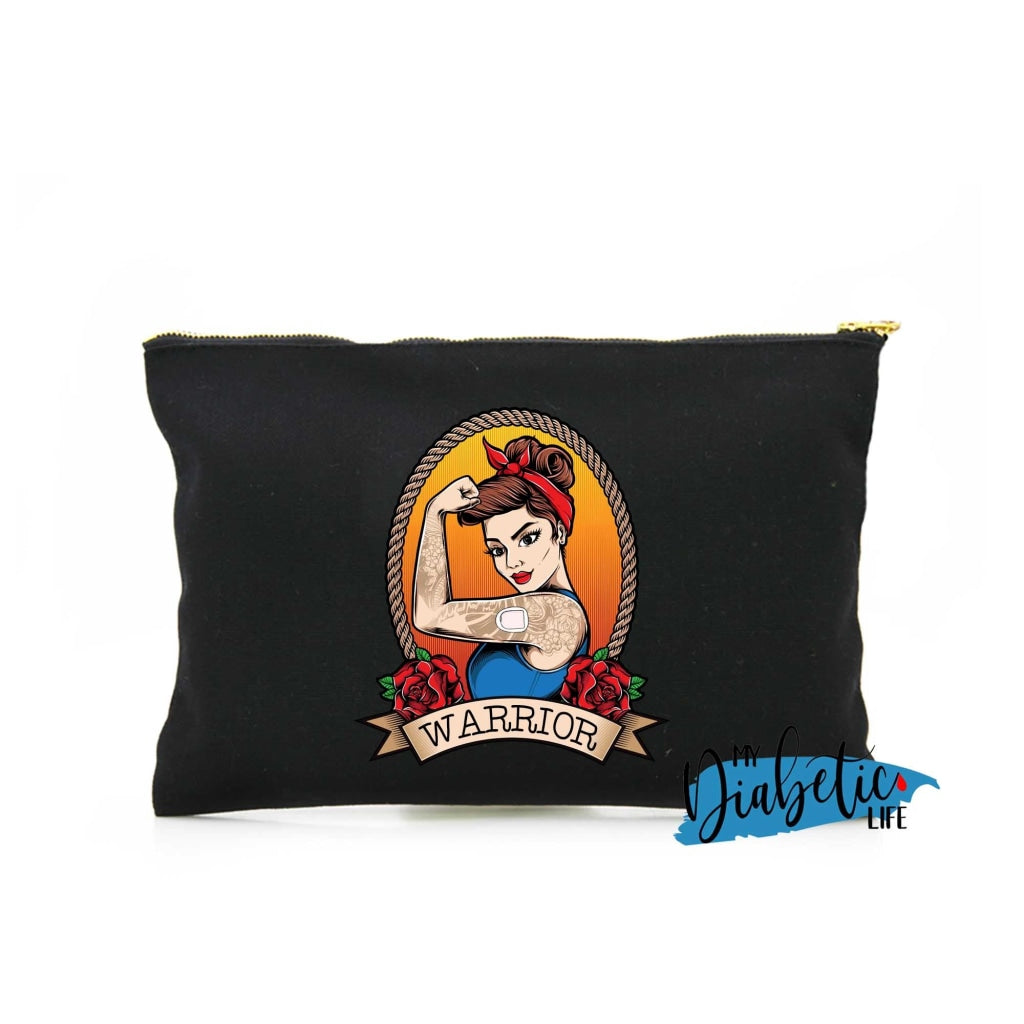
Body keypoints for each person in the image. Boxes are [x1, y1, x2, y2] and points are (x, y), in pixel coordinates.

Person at [411, 435, 590, 699]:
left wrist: (435, 513)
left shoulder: (556, 614)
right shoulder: (530, 612)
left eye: (527, 539)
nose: (511, 562)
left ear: (560, 532)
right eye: (497, 550)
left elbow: (430, 616)